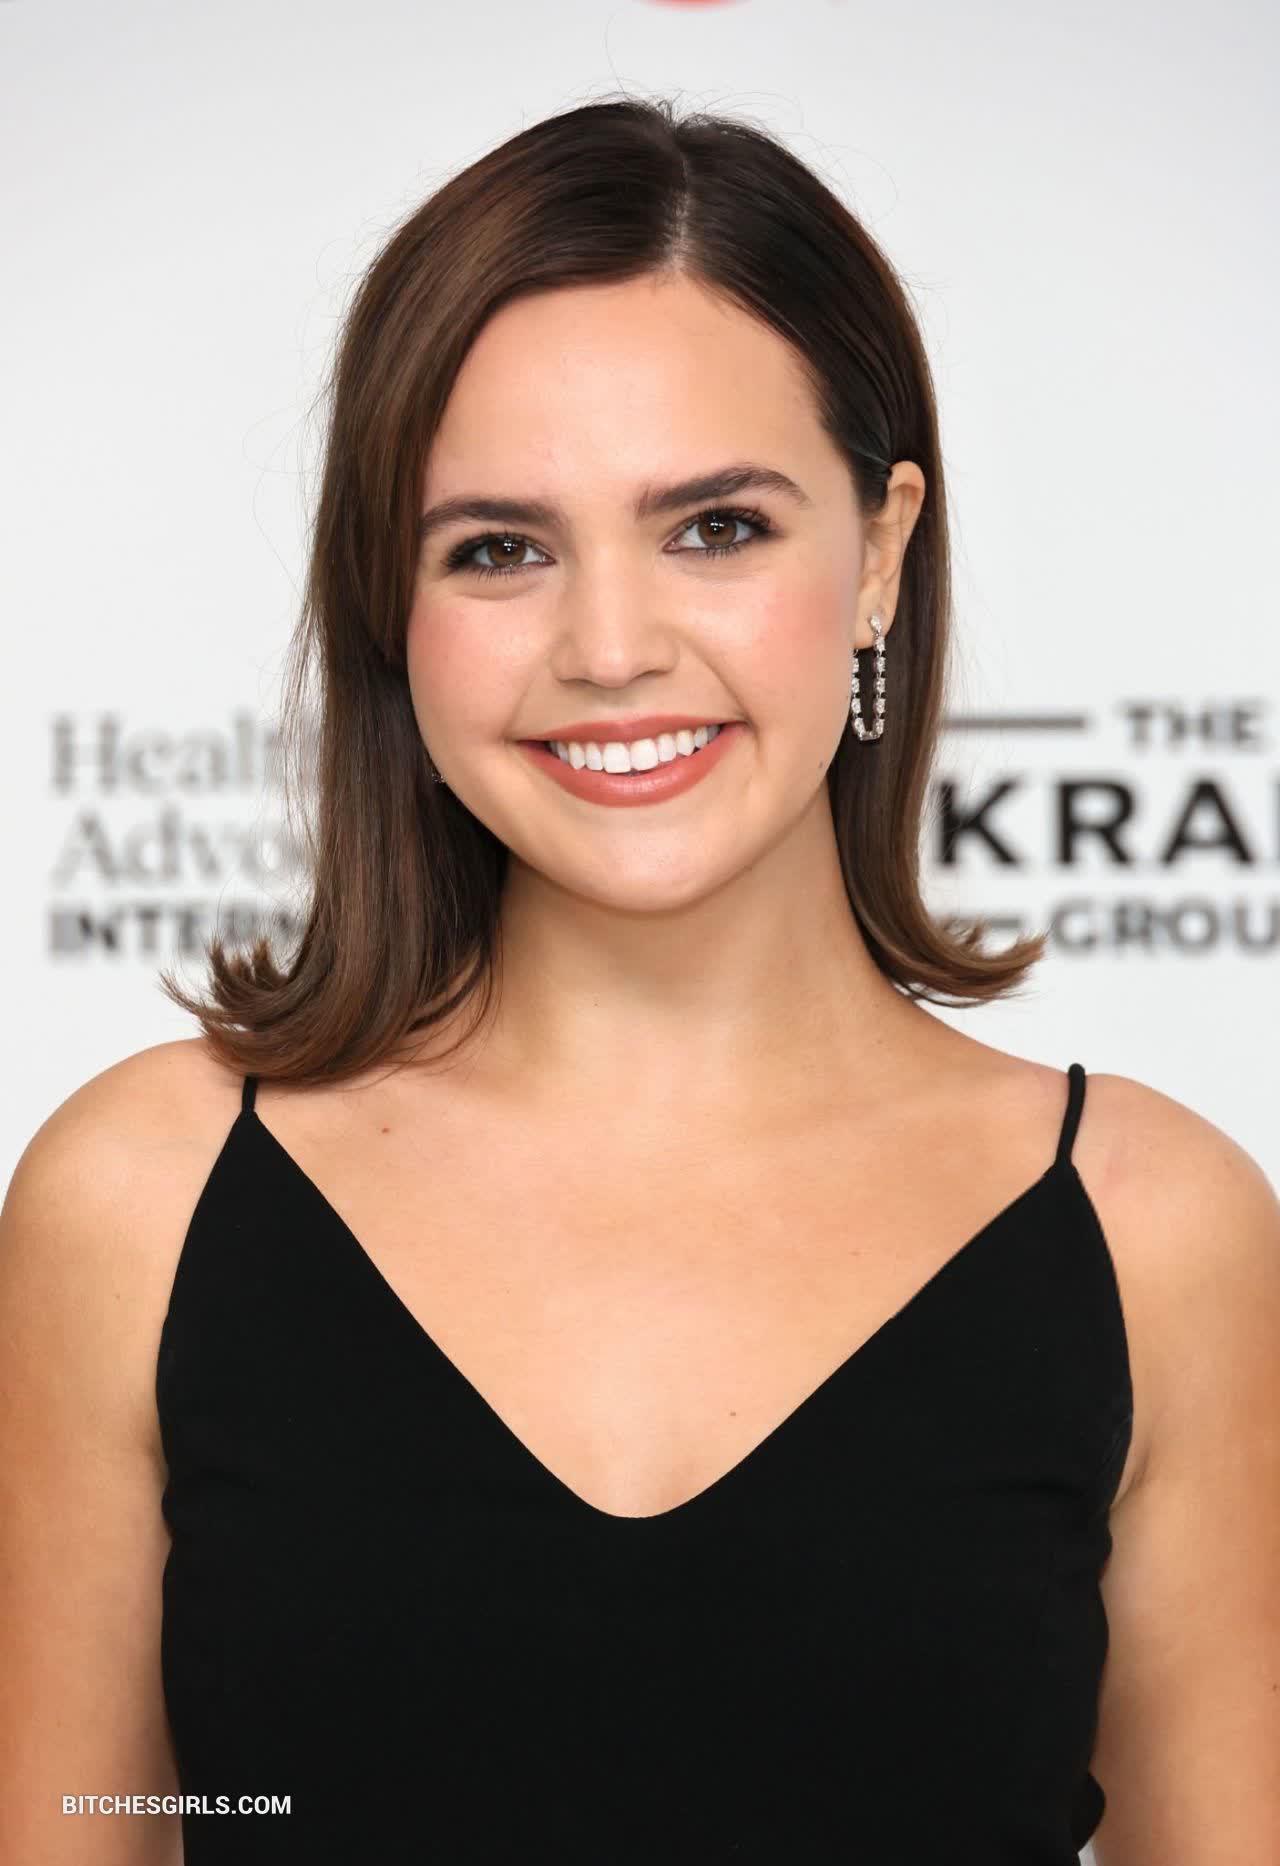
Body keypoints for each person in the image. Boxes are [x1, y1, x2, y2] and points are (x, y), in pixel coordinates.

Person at [2, 94, 1278, 1866]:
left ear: (880, 551)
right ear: (391, 604)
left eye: (716, 527)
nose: (610, 648)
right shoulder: (142, 1202)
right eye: (499, 549)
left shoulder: (1155, 1235)